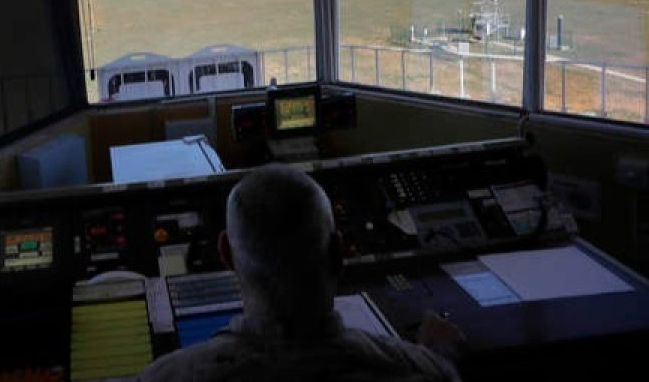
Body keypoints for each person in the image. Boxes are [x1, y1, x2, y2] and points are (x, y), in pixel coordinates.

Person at [140, 164, 463, 382]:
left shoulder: (168, 375)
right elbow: (445, 373)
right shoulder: (413, 369)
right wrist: (438, 349)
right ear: (338, 254)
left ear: (226, 254)